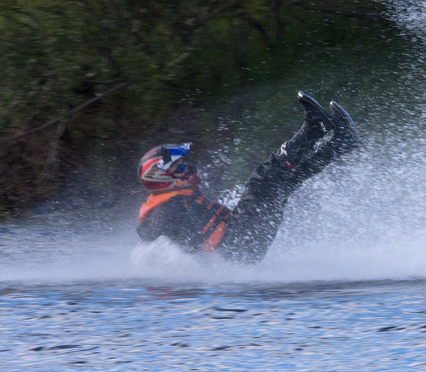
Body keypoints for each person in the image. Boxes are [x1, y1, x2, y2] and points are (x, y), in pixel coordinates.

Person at [136, 92, 360, 263]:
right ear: (161, 177)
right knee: (263, 179)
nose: (187, 168)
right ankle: (315, 128)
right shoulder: (164, 210)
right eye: (179, 167)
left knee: (285, 180)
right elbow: (155, 237)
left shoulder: (173, 200)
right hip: (238, 244)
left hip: (241, 246)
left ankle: (341, 142)